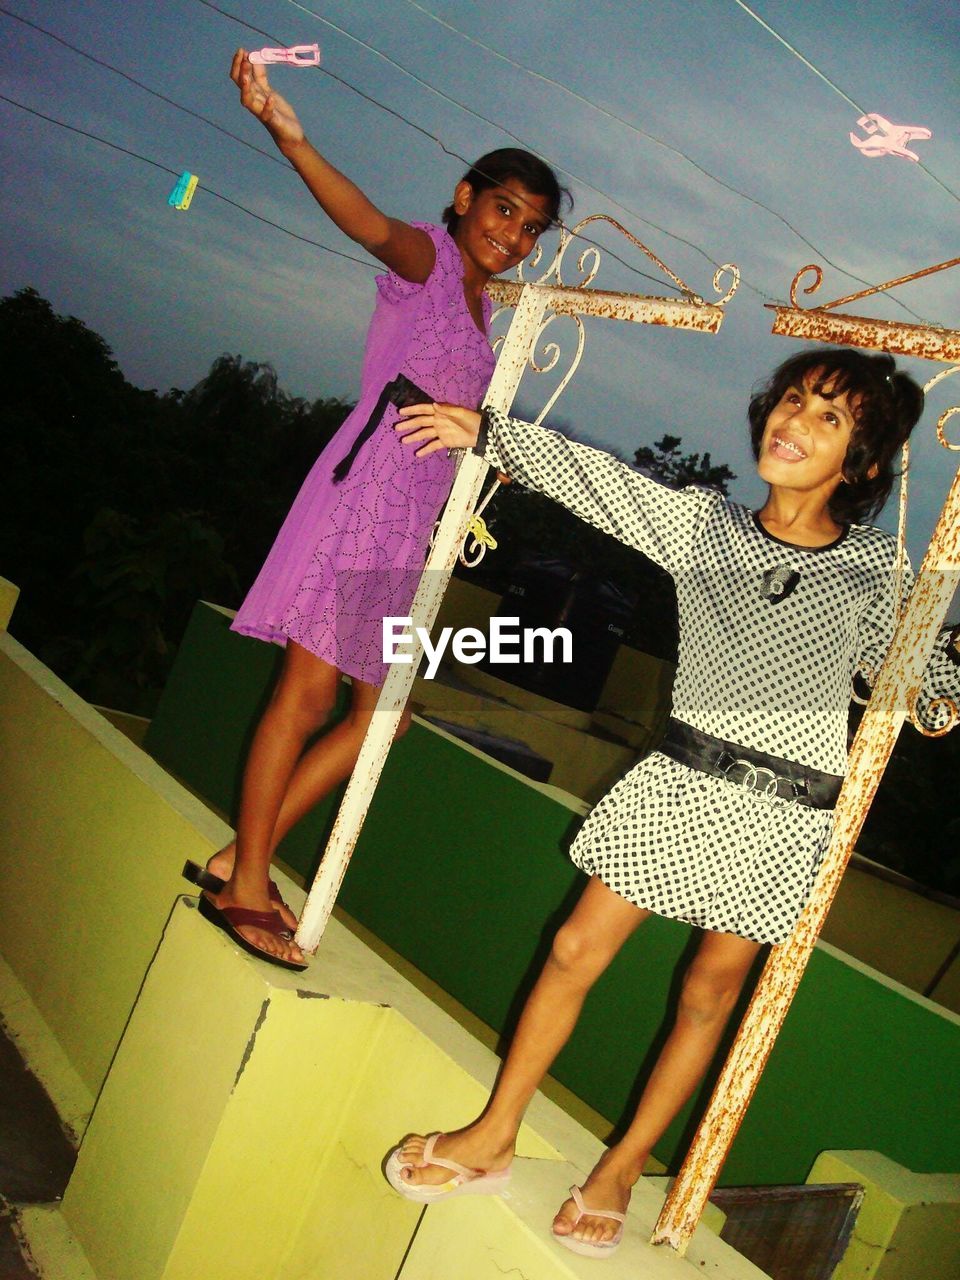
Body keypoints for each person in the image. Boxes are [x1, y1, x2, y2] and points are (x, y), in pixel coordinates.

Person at [384, 347, 960, 1257]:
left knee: (707, 996)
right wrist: (490, 435)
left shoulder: (870, 576)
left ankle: (619, 1170)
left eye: (829, 418)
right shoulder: (707, 528)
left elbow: (930, 696)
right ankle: (494, 1134)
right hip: (679, 780)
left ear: (863, 464)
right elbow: (602, 482)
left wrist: (937, 637)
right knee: (574, 948)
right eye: (794, 399)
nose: (795, 421)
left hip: (786, 810)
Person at [183, 49, 570, 970]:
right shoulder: (431, 262)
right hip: (363, 501)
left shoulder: (484, 309)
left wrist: (484, 459)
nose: (513, 237)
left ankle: (242, 853)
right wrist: (291, 136)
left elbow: (455, 415)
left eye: (531, 229)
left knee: (382, 718)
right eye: (504, 210)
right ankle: (244, 883)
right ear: (467, 197)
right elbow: (363, 221)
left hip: (412, 524)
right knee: (309, 695)